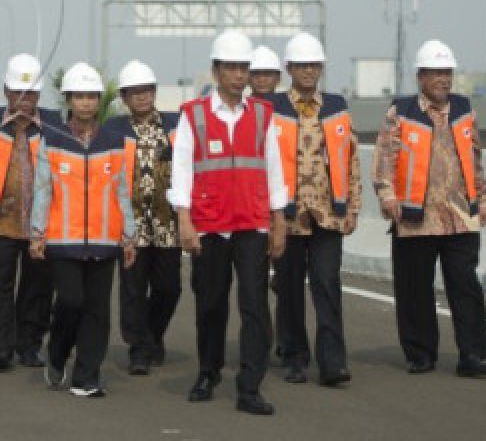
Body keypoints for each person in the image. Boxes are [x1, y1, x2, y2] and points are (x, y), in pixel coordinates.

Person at [170, 30, 288, 416]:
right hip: (209, 224)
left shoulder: (263, 115)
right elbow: (182, 169)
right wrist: (184, 221)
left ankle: (250, 386)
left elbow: (273, 168)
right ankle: (208, 372)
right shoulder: (193, 115)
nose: (238, 75)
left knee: (255, 306)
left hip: (252, 224)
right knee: (211, 304)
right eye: (231, 67)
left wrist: (279, 220)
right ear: (216, 70)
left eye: (243, 68)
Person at [373, 39, 486, 378]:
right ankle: (420, 353)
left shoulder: (464, 110)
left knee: (466, 287)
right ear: (420, 76)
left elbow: (476, 160)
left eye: (447, 72)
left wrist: (483, 200)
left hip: (459, 216)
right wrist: (387, 197)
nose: (443, 79)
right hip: (415, 218)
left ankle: (472, 355)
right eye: (436, 72)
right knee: (415, 289)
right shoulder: (401, 112)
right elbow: (384, 160)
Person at [30, 62, 136, 398]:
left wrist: (129, 236)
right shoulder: (52, 137)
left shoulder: (115, 140)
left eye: (92, 96)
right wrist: (37, 232)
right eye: (80, 96)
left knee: (97, 310)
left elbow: (122, 190)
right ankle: (58, 353)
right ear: (68, 100)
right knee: (71, 301)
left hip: (105, 241)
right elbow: (43, 189)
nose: (87, 103)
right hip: (63, 239)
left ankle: (86, 377)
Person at [269, 33, 360, 386]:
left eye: (314, 65)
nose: (308, 71)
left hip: (328, 212)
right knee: (289, 287)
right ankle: (293, 356)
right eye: (301, 65)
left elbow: (349, 159)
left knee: (326, 284)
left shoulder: (336, 106)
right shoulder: (272, 109)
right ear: (289, 68)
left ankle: (332, 362)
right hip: (287, 215)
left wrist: (353, 205)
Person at [0, 53, 59, 371]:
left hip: (42, 221)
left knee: (38, 284)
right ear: (6, 92)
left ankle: (29, 345)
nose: (25, 101)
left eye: (32, 94)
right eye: (18, 93)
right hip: (2, 219)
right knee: (2, 283)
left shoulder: (54, 123)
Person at [104, 59, 180, 376]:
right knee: (133, 289)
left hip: (167, 224)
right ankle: (139, 349)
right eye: (134, 92)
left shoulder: (176, 125)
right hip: (130, 224)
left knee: (169, 288)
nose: (142, 97)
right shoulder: (113, 130)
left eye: (147, 90)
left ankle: (152, 333)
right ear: (124, 97)